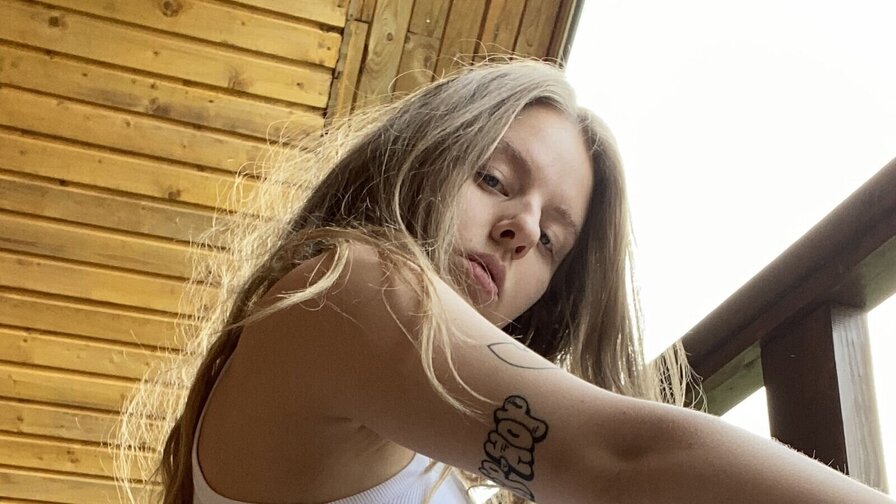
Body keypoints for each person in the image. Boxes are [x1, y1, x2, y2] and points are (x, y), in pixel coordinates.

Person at [114, 59, 894, 504]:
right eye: (493, 178)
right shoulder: (347, 287)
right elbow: (620, 457)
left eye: (552, 240)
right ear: (420, 155)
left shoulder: (423, 448)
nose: (522, 229)